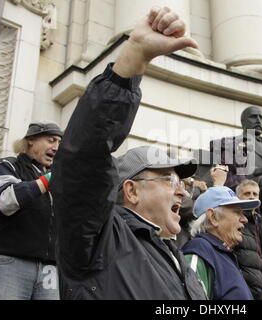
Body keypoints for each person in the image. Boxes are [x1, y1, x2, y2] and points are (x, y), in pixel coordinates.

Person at [50, 6, 206, 300]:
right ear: (131, 190)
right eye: (171, 182)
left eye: (182, 185)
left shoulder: (171, 253)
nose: (183, 194)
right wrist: (134, 57)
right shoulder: (99, 241)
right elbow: (83, 164)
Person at [0, 121, 63, 300]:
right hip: (11, 262)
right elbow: (4, 200)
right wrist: (45, 181)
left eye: (59, 143)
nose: (56, 147)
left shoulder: (58, 178)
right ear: (31, 140)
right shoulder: (8, 165)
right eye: (51, 140)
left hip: (50, 268)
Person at [182, 186, 260, 300]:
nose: (245, 219)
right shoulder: (199, 251)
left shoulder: (220, 253)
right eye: (237, 212)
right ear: (213, 217)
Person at [233, 179, 262, 300]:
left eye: (255, 194)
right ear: (237, 197)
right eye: (247, 193)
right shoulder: (234, 221)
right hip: (245, 290)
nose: (251, 197)